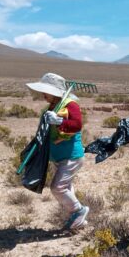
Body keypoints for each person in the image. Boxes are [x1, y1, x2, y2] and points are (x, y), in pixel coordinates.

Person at [26, 72, 89, 230]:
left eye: (45, 91)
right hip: (57, 157)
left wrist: (59, 120)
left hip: (71, 156)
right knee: (66, 188)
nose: (43, 94)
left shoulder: (70, 105)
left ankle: (79, 211)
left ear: (54, 92)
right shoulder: (52, 107)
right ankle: (78, 222)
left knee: (57, 188)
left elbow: (76, 125)